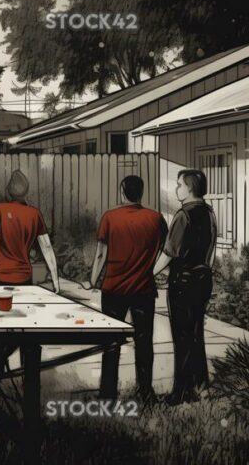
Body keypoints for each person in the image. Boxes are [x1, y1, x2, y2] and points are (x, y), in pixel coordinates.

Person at [0, 170, 60, 374]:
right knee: (26, 325)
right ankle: (27, 369)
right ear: (25, 193)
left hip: (2, 277)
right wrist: (56, 280)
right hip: (25, 277)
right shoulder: (35, 214)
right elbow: (47, 248)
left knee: (2, 325)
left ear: (8, 191)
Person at [90, 176, 167, 401]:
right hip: (143, 289)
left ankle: (107, 394)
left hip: (113, 289)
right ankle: (145, 392)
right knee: (144, 342)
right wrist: (153, 270)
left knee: (111, 342)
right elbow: (167, 250)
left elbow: (101, 253)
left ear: (122, 192)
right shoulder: (156, 218)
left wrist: (93, 279)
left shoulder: (110, 217)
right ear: (141, 193)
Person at [152, 169, 217, 404]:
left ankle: (180, 392)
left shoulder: (183, 215)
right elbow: (211, 250)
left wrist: (149, 273)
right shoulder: (209, 213)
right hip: (203, 278)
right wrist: (205, 270)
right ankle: (202, 387)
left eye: (179, 184)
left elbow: (169, 252)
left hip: (183, 282)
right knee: (196, 334)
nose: (176, 188)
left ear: (189, 187)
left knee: (182, 336)